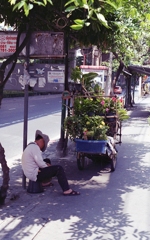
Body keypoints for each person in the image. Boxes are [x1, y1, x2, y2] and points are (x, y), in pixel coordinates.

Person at [21, 130, 80, 196]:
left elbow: (39, 161)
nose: (42, 147)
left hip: (30, 172)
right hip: (34, 174)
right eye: (44, 144)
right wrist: (48, 167)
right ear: (41, 140)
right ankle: (66, 190)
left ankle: (44, 183)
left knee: (47, 160)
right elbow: (40, 163)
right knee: (59, 169)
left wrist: (46, 164)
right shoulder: (35, 147)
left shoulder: (31, 146)